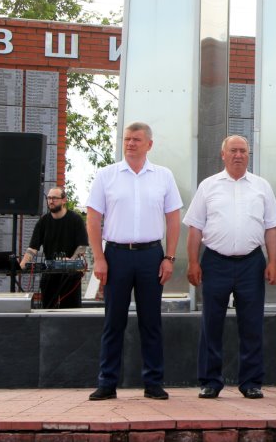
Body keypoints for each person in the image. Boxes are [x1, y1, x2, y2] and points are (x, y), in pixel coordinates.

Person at [86, 122, 183, 401]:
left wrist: (169, 257)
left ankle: (153, 382)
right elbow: (93, 219)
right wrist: (99, 258)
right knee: (113, 321)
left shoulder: (163, 176)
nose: (130, 143)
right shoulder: (106, 175)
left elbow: (173, 219)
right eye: (127, 139)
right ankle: (107, 382)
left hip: (151, 255)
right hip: (116, 255)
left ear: (149, 144)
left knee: (151, 321)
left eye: (136, 139)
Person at [184, 135, 276, 400]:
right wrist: (193, 262)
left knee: (252, 324)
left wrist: (273, 262)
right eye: (233, 151)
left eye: (243, 151)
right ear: (223, 154)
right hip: (215, 262)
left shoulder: (261, 186)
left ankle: (251, 382)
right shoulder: (208, 186)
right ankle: (210, 382)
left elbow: (272, 227)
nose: (238, 155)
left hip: (252, 262)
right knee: (211, 323)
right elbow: (195, 228)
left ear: (248, 155)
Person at [19, 186, 88, 309]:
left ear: (64, 200)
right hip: (49, 273)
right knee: (48, 309)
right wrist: (23, 263)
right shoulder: (43, 222)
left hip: (71, 275)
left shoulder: (76, 220)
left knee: (71, 311)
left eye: (54, 198)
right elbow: (33, 248)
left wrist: (71, 261)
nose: (51, 201)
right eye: (49, 198)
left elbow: (82, 246)